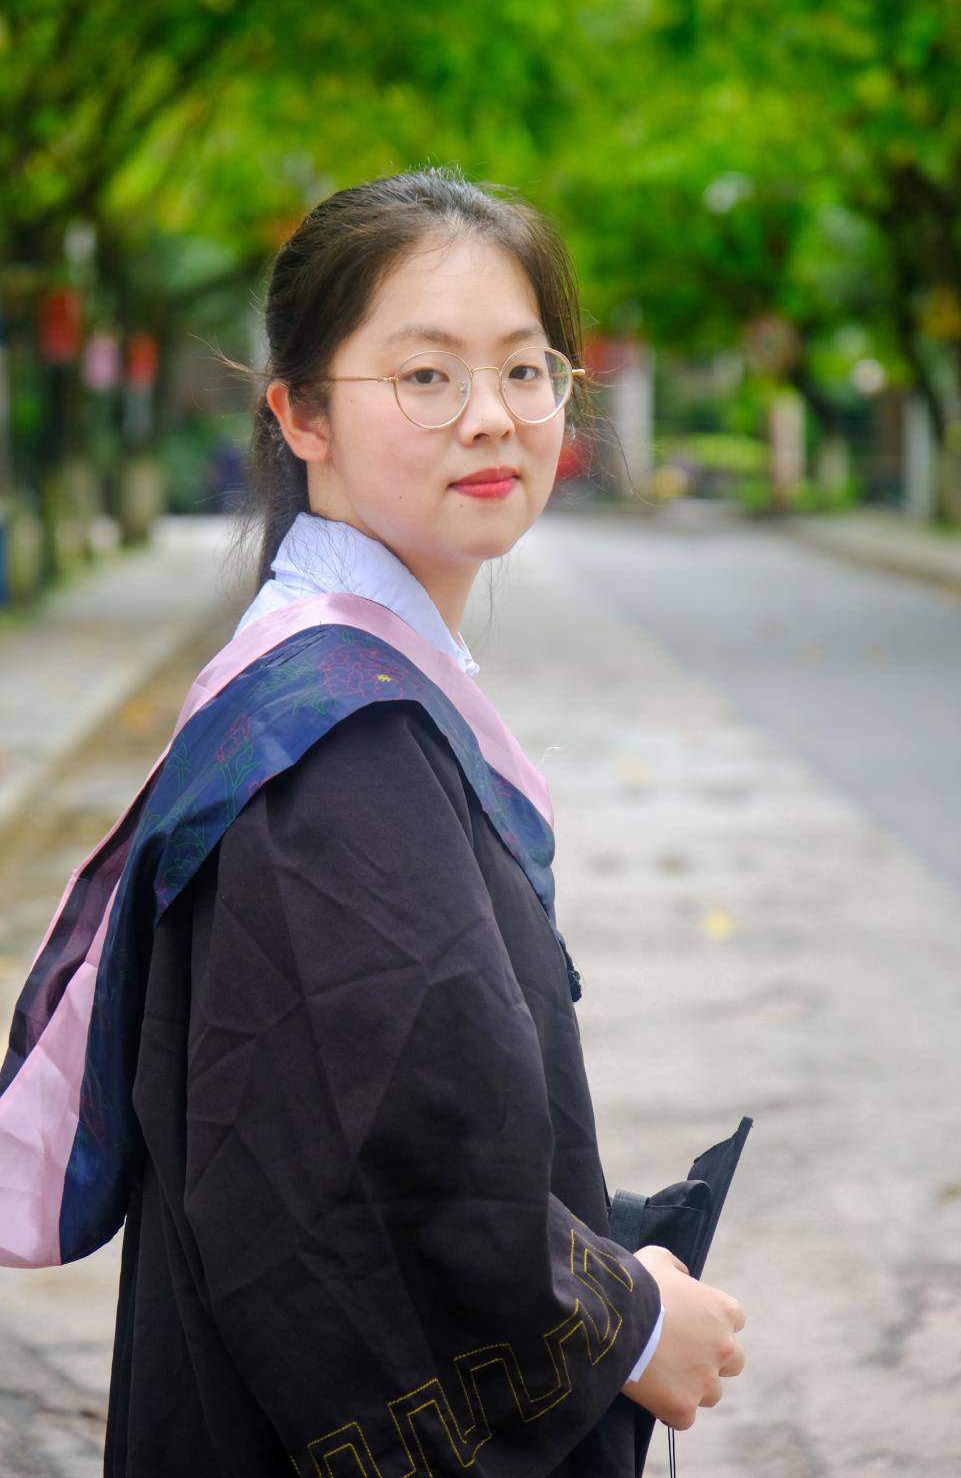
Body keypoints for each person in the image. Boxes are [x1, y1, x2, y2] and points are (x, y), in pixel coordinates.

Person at [0, 168, 745, 1476]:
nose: (492, 417)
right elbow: (400, 1173)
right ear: (300, 413)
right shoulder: (335, 753)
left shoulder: (353, 687)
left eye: (525, 369)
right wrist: (626, 1326)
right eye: (425, 376)